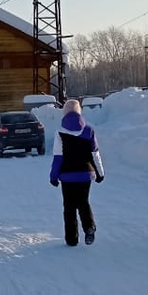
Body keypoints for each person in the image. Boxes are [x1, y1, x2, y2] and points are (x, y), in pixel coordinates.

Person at [49, 98, 105, 246]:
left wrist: (53, 177)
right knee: (84, 202)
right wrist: (100, 173)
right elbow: (95, 154)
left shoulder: (60, 133)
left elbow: (58, 158)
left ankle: (72, 239)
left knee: (69, 207)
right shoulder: (89, 131)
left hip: (67, 176)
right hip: (85, 174)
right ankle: (89, 227)